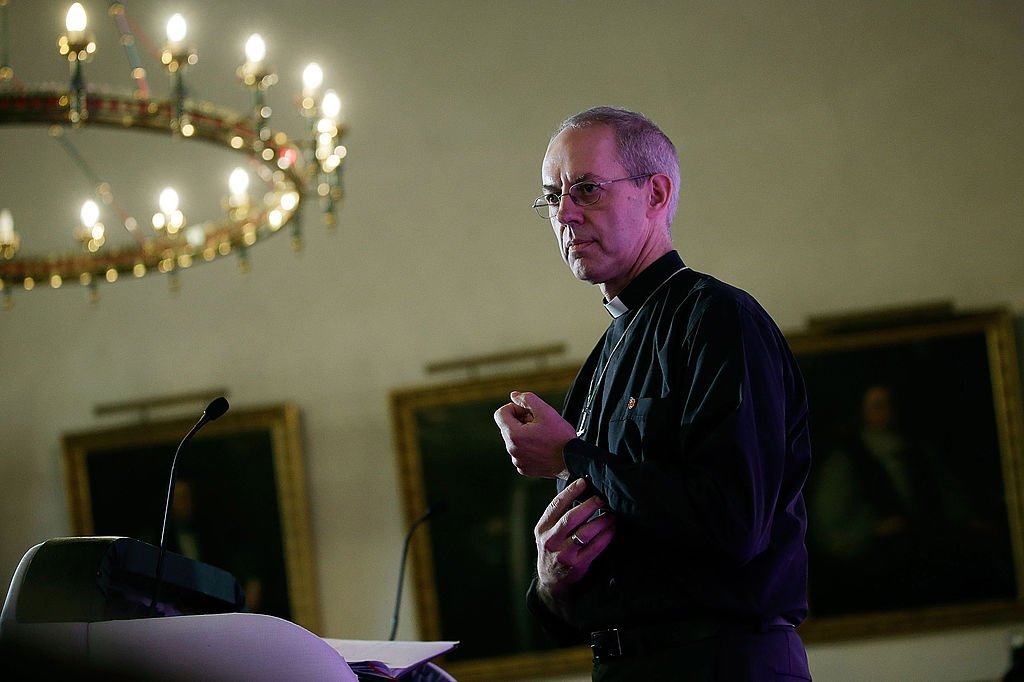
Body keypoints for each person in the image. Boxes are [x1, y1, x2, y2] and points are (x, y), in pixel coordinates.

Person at [494, 106, 812, 680]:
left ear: (656, 193)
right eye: (552, 195)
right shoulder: (605, 354)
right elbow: (597, 575)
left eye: (586, 189)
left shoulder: (717, 319)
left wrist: (572, 454)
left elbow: (734, 525)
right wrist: (549, 581)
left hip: (720, 663)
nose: (564, 212)